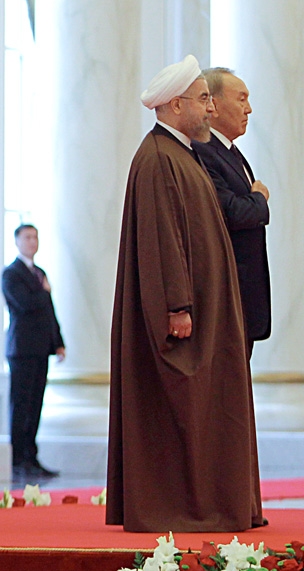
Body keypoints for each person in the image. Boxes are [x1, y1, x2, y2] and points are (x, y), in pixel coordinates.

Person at [106, 55, 263, 533]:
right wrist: (178, 307)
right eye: (202, 100)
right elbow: (162, 239)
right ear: (176, 105)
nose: (210, 110)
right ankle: (188, 506)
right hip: (185, 318)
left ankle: (215, 502)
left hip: (206, 310)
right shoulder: (158, 158)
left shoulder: (180, 153)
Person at [195, 68, 271, 360]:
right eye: (241, 99)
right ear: (213, 104)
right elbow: (231, 212)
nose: (248, 108)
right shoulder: (204, 152)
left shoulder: (230, 151)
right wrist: (259, 198)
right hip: (225, 296)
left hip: (243, 298)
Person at [2, 224, 65, 485]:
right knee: (21, 405)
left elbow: (50, 312)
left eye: (35, 237)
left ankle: (32, 455)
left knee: (36, 404)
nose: (32, 241)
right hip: (21, 349)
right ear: (17, 242)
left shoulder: (40, 273)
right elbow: (23, 304)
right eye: (27, 237)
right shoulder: (12, 273)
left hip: (41, 348)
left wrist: (58, 342)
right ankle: (18, 458)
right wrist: (43, 291)